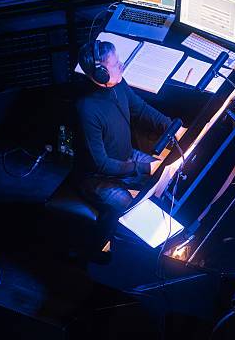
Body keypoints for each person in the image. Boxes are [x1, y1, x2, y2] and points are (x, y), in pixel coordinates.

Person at [73, 39, 179, 250]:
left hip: (127, 158)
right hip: (98, 180)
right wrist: (145, 167)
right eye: (115, 63)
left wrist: (173, 128)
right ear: (100, 73)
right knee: (137, 212)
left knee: (173, 177)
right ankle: (110, 252)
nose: (121, 65)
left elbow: (140, 109)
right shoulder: (86, 109)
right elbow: (101, 164)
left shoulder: (118, 84)